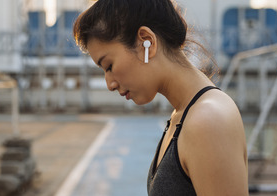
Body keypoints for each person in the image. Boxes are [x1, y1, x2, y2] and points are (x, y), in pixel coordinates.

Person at [73, 0, 249, 195]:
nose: (110, 84)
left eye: (109, 66)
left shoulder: (208, 120)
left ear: (146, 41)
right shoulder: (184, 114)